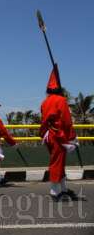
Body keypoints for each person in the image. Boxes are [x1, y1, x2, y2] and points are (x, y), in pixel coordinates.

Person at [39, 65, 78, 201]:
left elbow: (43, 121)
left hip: (49, 136)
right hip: (59, 136)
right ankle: (54, 191)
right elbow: (67, 121)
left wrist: (42, 134)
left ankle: (63, 188)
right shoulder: (61, 100)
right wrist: (72, 137)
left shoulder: (44, 102)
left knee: (59, 162)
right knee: (57, 162)